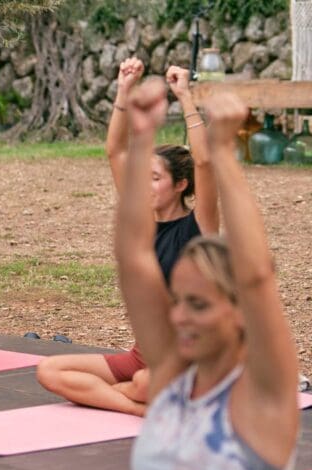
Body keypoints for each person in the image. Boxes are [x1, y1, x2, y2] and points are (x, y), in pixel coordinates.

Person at [120, 81, 297, 470]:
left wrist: (222, 149)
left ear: (238, 310)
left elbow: (258, 275)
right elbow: (133, 258)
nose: (178, 316)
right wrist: (138, 142)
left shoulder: (263, 396)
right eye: (178, 301)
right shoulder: (176, 375)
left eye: (198, 304)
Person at [35, 61, 220, 415]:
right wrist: (123, 90)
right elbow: (115, 151)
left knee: (141, 384)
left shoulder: (200, 227)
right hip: (143, 357)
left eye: (154, 178)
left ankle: (138, 396)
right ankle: (139, 409)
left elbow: (206, 163)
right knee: (50, 370)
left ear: (180, 184)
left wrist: (184, 96)